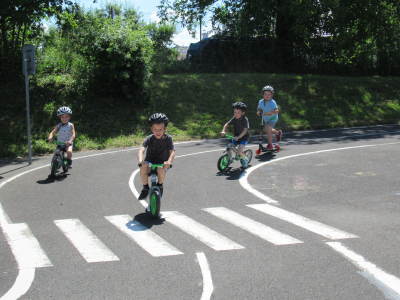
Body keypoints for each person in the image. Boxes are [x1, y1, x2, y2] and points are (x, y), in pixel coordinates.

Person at [138, 113, 175, 200]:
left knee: (161, 169)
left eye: (160, 129)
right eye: (155, 129)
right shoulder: (149, 138)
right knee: (142, 168)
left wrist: (168, 162)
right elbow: (141, 150)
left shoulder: (168, 138)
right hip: (149, 163)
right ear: (151, 129)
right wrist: (141, 160)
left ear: (165, 129)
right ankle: (145, 188)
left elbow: (172, 152)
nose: (158, 132)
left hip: (162, 163)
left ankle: (160, 185)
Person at [220, 102, 250, 168]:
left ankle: (245, 159)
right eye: (235, 112)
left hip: (244, 138)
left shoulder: (245, 120)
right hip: (236, 137)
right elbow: (226, 124)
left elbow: (245, 130)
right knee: (229, 147)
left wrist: (239, 136)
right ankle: (230, 159)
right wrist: (223, 131)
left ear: (243, 113)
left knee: (239, 151)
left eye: (238, 112)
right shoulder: (234, 118)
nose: (236, 114)